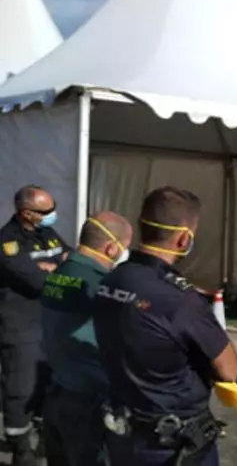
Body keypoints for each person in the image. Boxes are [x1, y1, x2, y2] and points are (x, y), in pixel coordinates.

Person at [94, 187, 237, 465]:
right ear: (184, 238)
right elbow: (228, 370)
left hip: (123, 433)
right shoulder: (181, 300)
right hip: (172, 444)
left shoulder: (111, 279)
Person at [40, 211, 132, 466]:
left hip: (57, 391)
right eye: (125, 246)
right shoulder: (101, 285)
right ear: (112, 248)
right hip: (90, 401)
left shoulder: (59, 272)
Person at [0, 185, 71, 466]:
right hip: (20, 327)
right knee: (21, 387)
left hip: (49, 323)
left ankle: (43, 434)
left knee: (47, 382)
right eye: (46, 210)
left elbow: (70, 258)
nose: (53, 214)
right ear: (26, 213)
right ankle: (20, 447)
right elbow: (38, 282)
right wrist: (54, 268)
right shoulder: (7, 243)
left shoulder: (47, 233)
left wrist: (54, 267)